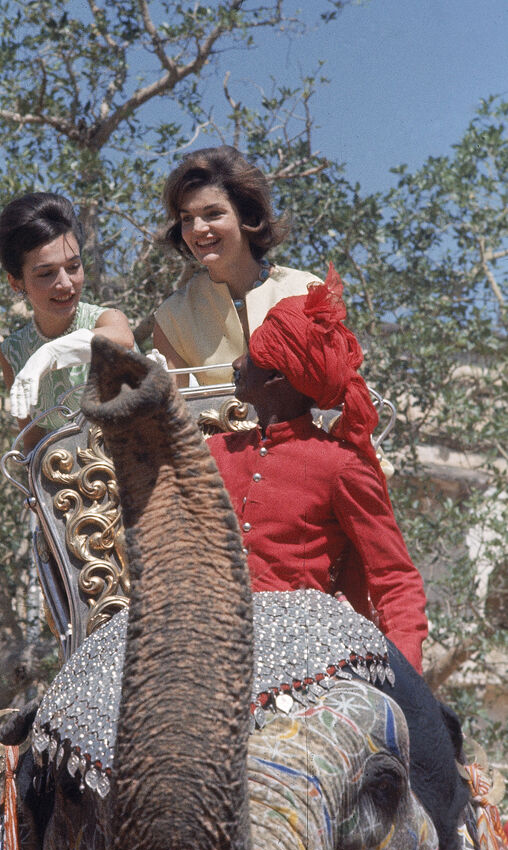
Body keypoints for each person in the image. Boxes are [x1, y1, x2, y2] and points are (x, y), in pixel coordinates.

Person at [207, 264, 428, 672]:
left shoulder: (341, 466)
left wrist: (405, 675)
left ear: (277, 374)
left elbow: (395, 579)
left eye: (251, 353)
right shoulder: (212, 452)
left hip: (296, 657)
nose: (237, 362)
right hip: (202, 643)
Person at [153, 145, 321, 385]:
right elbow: (175, 407)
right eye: (187, 218)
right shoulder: (172, 317)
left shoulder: (308, 290)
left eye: (213, 214)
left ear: (248, 216)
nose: (198, 228)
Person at [0, 192, 134, 452]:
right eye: (46, 273)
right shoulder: (13, 353)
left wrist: (50, 353)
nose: (65, 283)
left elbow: (123, 339)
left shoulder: (107, 320)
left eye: (73, 267)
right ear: (16, 282)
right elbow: (34, 444)